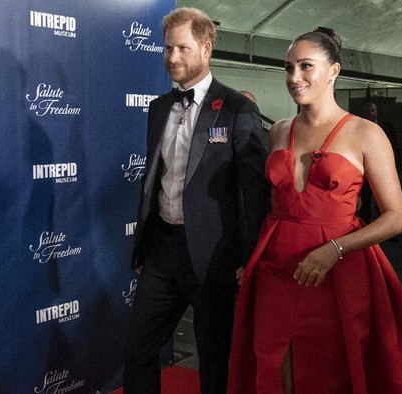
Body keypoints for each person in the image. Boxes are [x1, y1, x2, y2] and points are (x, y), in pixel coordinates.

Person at [228, 27, 402, 393]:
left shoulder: (367, 133)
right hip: (276, 265)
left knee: (328, 370)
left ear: (334, 71)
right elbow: (265, 203)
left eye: (306, 66)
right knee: (274, 361)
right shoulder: (279, 130)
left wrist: (334, 249)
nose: (294, 77)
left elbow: (397, 218)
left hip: (335, 270)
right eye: (288, 68)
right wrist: (250, 258)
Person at [124, 7, 270, 394]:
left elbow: (255, 192)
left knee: (214, 359)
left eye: (183, 48)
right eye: (168, 48)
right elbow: (155, 182)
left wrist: (250, 257)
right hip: (162, 251)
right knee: (138, 348)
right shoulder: (158, 109)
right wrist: (143, 245)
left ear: (206, 48)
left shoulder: (238, 108)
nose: (172, 58)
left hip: (215, 258)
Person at [358, 100, 400, 224]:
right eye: (367, 111)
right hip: (364, 170)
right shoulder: (358, 128)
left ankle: (386, 228)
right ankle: (364, 227)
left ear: (377, 112)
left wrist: (398, 166)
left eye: (372, 110)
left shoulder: (386, 128)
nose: (370, 113)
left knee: (384, 201)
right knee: (365, 200)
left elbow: (394, 148)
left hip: (383, 170)